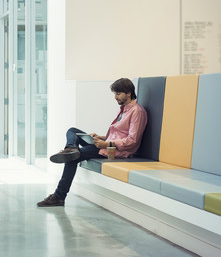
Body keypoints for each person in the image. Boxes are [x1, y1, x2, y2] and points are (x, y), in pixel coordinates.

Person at [37, 78, 147, 207]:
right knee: (72, 131)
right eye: (114, 94)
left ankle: (59, 196)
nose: (115, 97)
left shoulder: (137, 112)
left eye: (118, 93)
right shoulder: (124, 108)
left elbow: (132, 141)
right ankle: (71, 148)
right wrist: (101, 137)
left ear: (128, 93)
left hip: (114, 150)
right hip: (107, 143)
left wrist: (106, 144)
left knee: (72, 158)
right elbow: (119, 133)